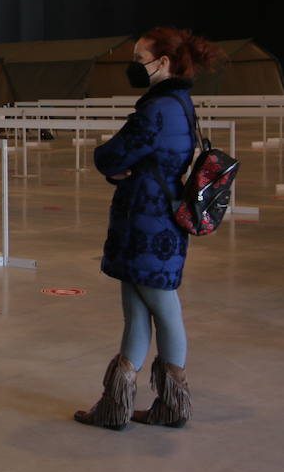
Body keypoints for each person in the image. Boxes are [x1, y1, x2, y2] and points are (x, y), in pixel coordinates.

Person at [73, 28, 224, 431]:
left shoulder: (158, 109)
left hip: (148, 221)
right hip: (152, 216)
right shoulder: (179, 103)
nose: (133, 66)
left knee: (163, 308)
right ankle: (116, 406)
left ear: (163, 63)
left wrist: (114, 164)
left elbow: (112, 154)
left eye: (140, 59)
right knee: (136, 311)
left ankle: (171, 404)